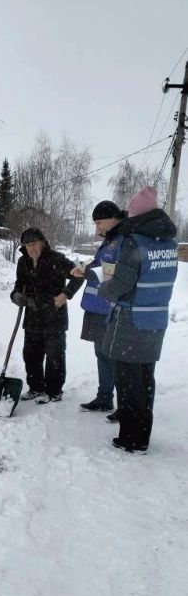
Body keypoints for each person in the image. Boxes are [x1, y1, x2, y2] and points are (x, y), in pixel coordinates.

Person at [96, 186, 178, 453]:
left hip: (131, 321)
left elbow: (122, 283)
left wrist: (104, 287)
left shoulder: (135, 241)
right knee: (145, 379)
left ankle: (132, 439)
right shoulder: (168, 244)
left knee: (129, 381)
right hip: (155, 320)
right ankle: (142, 434)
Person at [11, 227, 83, 403]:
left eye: (34, 244)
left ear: (43, 243)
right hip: (32, 317)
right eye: (27, 245)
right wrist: (16, 296)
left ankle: (53, 391)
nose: (31, 249)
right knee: (31, 355)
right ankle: (35, 388)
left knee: (54, 357)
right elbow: (19, 285)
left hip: (54, 317)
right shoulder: (23, 262)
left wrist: (65, 294)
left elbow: (79, 275)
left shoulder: (56, 259)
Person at [78, 200, 125, 415]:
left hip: (110, 308)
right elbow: (101, 265)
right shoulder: (110, 240)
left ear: (113, 218)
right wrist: (86, 268)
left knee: (114, 357)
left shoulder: (123, 240)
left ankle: (124, 405)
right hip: (98, 307)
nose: (97, 228)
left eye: (99, 223)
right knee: (102, 354)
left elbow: (114, 274)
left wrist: (88, 272)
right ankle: (104, 397)